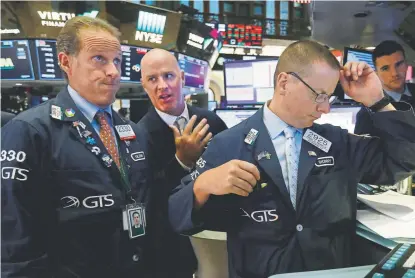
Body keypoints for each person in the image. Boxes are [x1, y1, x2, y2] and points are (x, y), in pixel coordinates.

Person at [168, 40, 415, 277]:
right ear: (284, 82)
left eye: (328, 97)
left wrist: (377, 101)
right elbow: (177, 214)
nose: (325, 108)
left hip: (330, 273)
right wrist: (203, 185)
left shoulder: (336, 144)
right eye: (318, 95)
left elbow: (403, 160)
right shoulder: (229, 144)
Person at [2, 16, 154, 278]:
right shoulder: (30, 131)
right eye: (99, 59)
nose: (113, 71)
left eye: (116, 60)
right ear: (65, 62)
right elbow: (14, 239)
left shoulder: (131, 131)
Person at [137, 48, 227, 278]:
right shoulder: (138, 136)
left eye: (169, 76)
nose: (162, 86)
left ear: (182, 78)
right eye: (152, 79)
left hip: (218, 242)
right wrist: (181, 162)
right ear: (144, 85)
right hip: (170, 253)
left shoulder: (211, 122)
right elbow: (147, 200)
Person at [354, 40, 415, 134]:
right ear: (376, 73)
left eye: (399, 64)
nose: (394, 73)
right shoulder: (368, 114)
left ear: (407, 64)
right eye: (385, 68)